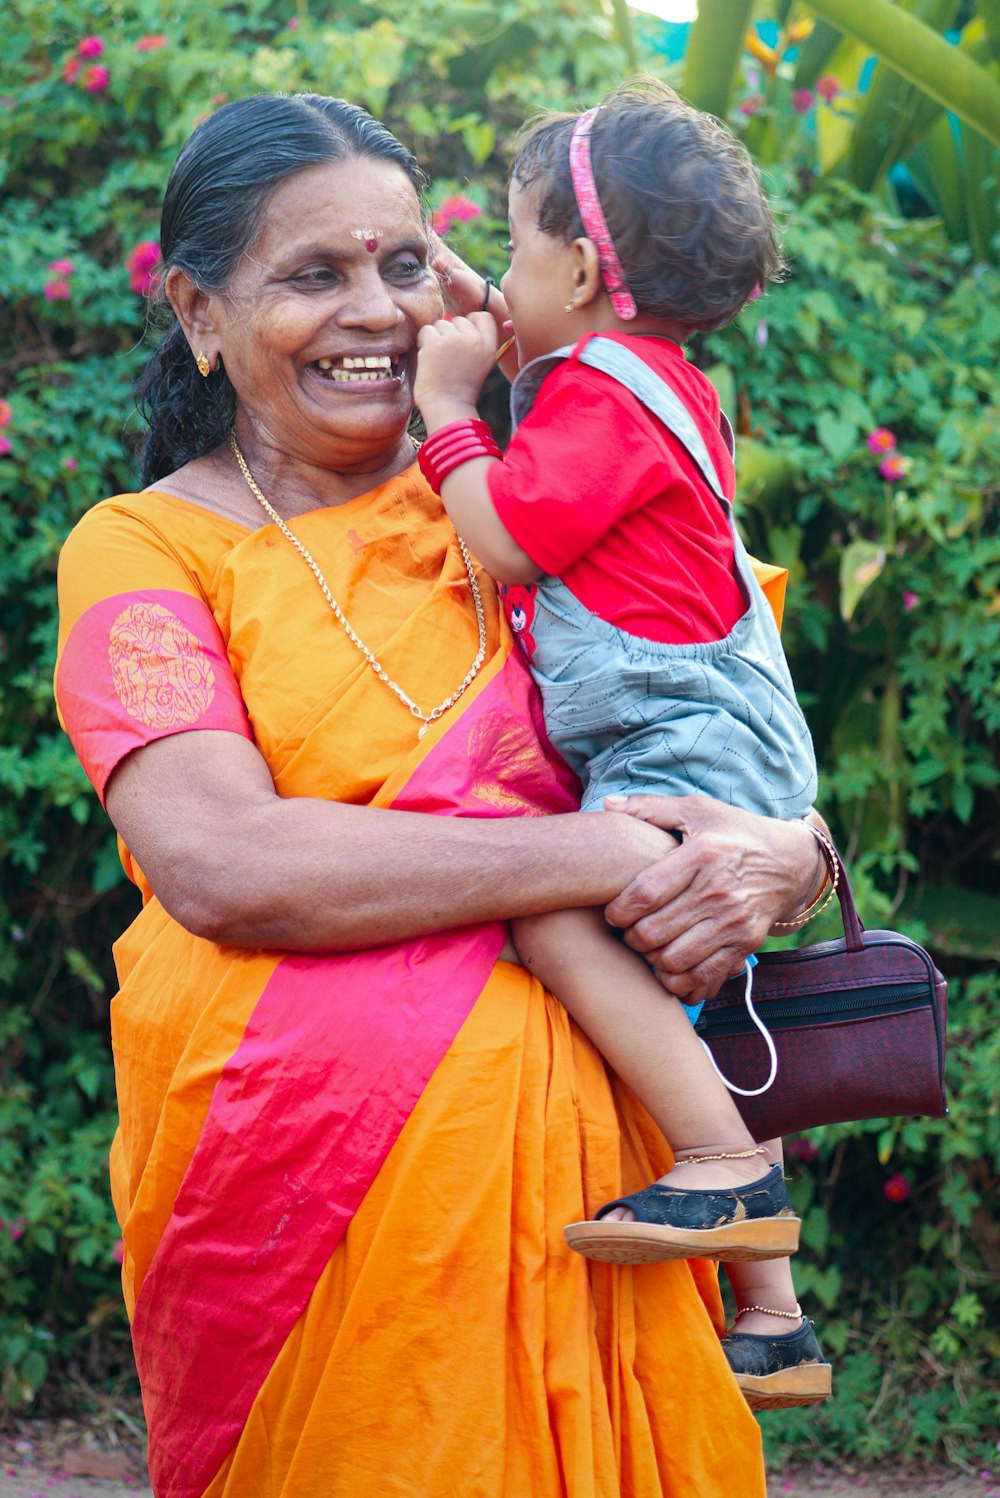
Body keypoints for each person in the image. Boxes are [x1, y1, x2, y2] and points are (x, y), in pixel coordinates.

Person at [54, 91, 831, 1498]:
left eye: (405, 264)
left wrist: (797, 856)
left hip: (615, 1233)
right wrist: (598, 852)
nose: (377, 311)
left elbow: (739, 729)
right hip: (313, 1252)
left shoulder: (553, 488)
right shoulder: (143, 549)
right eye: (313, 274)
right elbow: (220, 859)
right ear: (200, 315)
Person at [414, 80, 832, 1409]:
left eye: (522, 250)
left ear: (585, 271)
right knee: (676, 1005)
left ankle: (723, 1164)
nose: (504, 277)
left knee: (554, 919)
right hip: (723, 730)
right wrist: (494, 317)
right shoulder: (657, 378)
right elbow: (563, 403)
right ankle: (772, 1317)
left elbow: (509, 534)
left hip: (681, 734)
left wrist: (445, 406)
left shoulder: (598, 388)